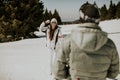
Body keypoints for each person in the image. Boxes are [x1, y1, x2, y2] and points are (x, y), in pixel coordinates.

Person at [53, 2, 119, 80]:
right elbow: (113, 74)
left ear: (81, 18)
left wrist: (73, 74)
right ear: (98, 20)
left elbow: (58, 72)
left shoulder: (68, 41)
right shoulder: (109, 44)